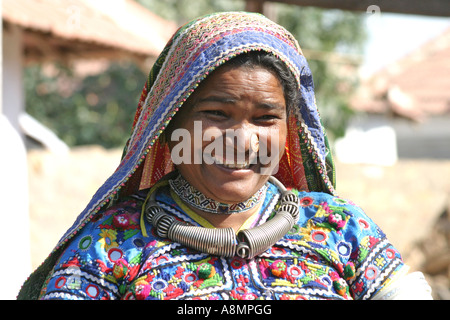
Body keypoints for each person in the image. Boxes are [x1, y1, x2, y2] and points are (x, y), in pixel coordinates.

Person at [18, 11, 432, 300]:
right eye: (217, 114)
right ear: (169, 124)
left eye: (265, 118)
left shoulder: (341, 228)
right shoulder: (109, 246)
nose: (242, 140)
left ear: (288, 131)